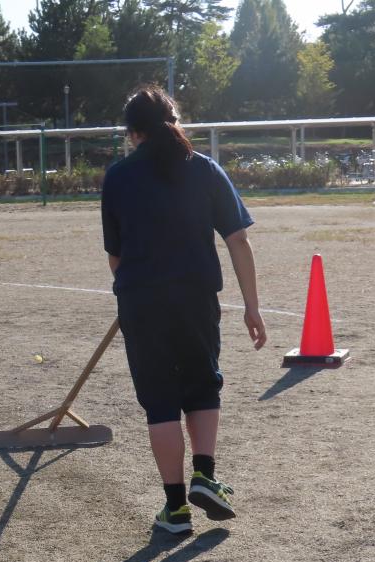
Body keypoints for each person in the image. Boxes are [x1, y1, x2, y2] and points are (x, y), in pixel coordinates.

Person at [101, 85, 267, 537]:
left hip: (141, 300)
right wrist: (251, 306)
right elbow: (238, 239)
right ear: (175, 122)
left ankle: (175, 509)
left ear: (133, 133)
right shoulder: (205, 170)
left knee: (160, 403)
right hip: (196, 298)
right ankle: (205, 475)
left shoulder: (117, 177)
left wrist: (133, 288)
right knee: (201, 386)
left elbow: (115, 256)